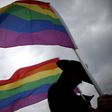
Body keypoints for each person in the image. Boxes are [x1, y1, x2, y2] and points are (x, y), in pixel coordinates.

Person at [48, 60, 112, 112]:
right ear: (70, 73)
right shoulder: (57, 90)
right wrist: (99, 110)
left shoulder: (66, 91)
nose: (80, 81)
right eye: (79, 77)